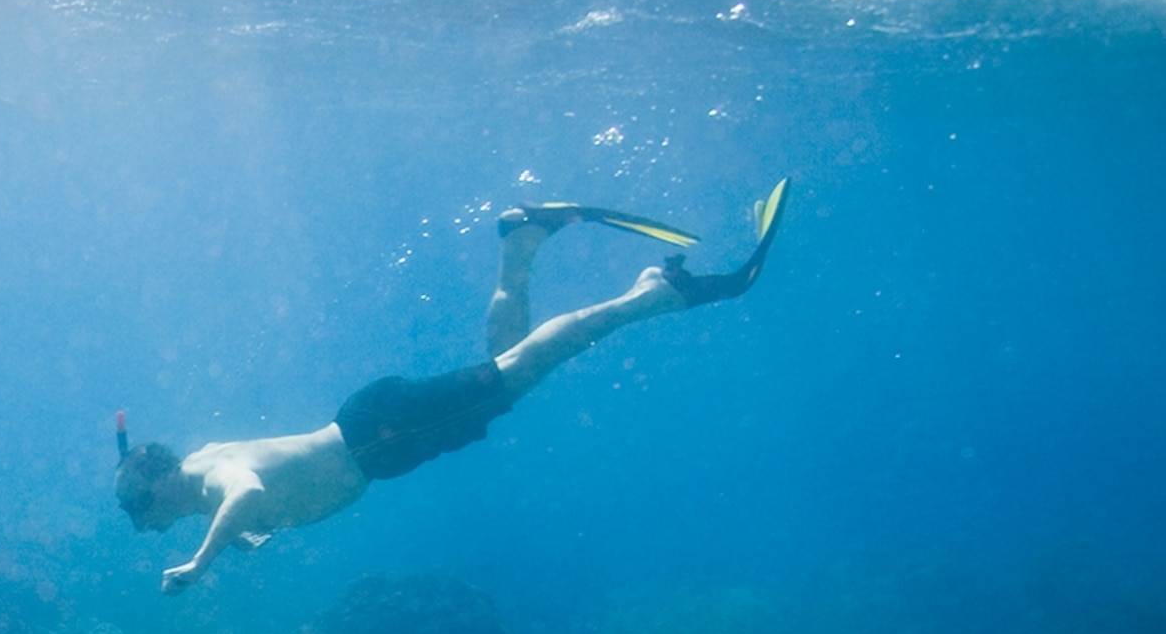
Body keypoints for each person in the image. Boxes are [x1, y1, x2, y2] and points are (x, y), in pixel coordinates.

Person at [118, 180, 789, 592]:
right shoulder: (200, 468)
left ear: (154, 491)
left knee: (519, 372)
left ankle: (656, 293)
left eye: (137, 515)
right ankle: (521, 240)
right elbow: (247, 495)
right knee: (509, 359)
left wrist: (202, 564)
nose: (144, 531)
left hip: (380, 436)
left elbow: (250, 489)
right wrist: (236, 539)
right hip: (377, 430)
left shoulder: (211, 484)